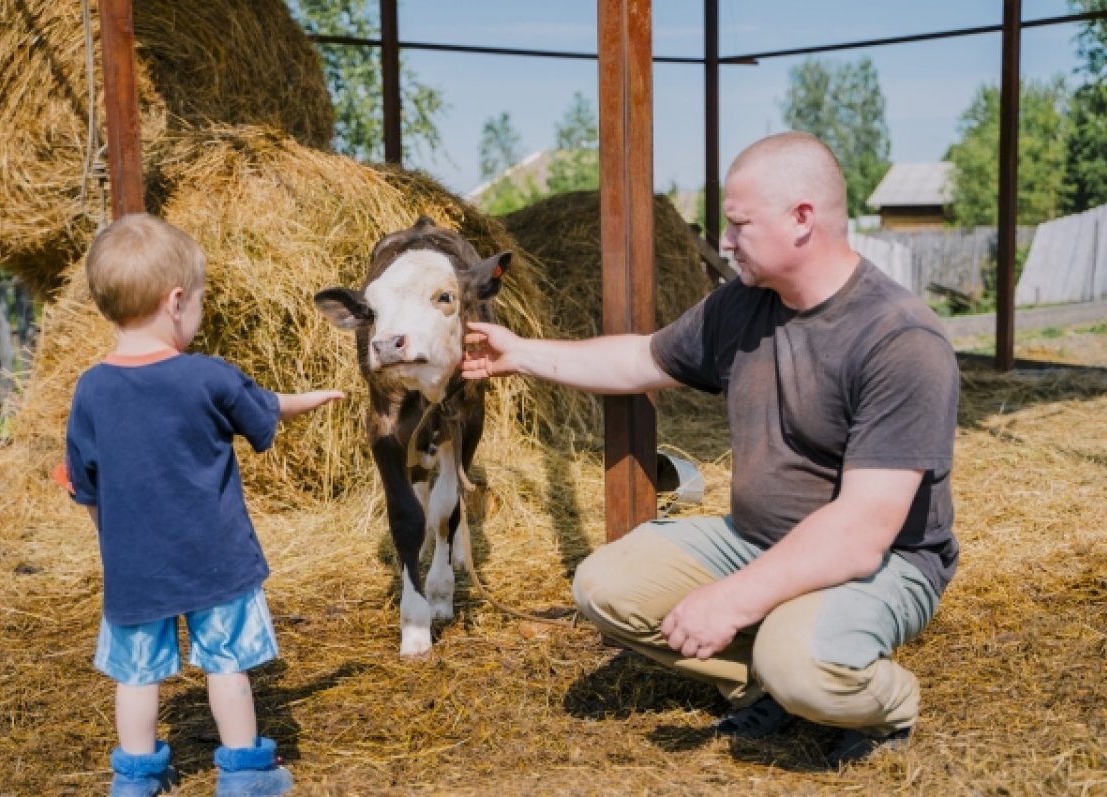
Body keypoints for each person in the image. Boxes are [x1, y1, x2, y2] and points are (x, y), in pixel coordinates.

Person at [462, 131, 959, 766]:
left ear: (801, 218)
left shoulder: (899, 339)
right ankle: (769, 683)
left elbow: (862, 532)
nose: (725, 240)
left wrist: (733, 599)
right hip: (755, 536)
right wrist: (521, 354)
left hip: (886, 561)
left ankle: (884, 702)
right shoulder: (742, 305)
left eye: (739, 224)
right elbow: (642, 358)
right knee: (604, 586)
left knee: (801, 663)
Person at [54, 213, 345, 796]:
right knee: (226, 664)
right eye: (202, 302)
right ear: (177, 302)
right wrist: (313, 398)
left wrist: (113, 544)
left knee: (136, 678)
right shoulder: (208, 377)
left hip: (134, 569)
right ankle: (244, 774)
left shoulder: (90, 389)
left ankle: (134, 782)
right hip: (217, 563)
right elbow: (265, 406)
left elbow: (84, 485)